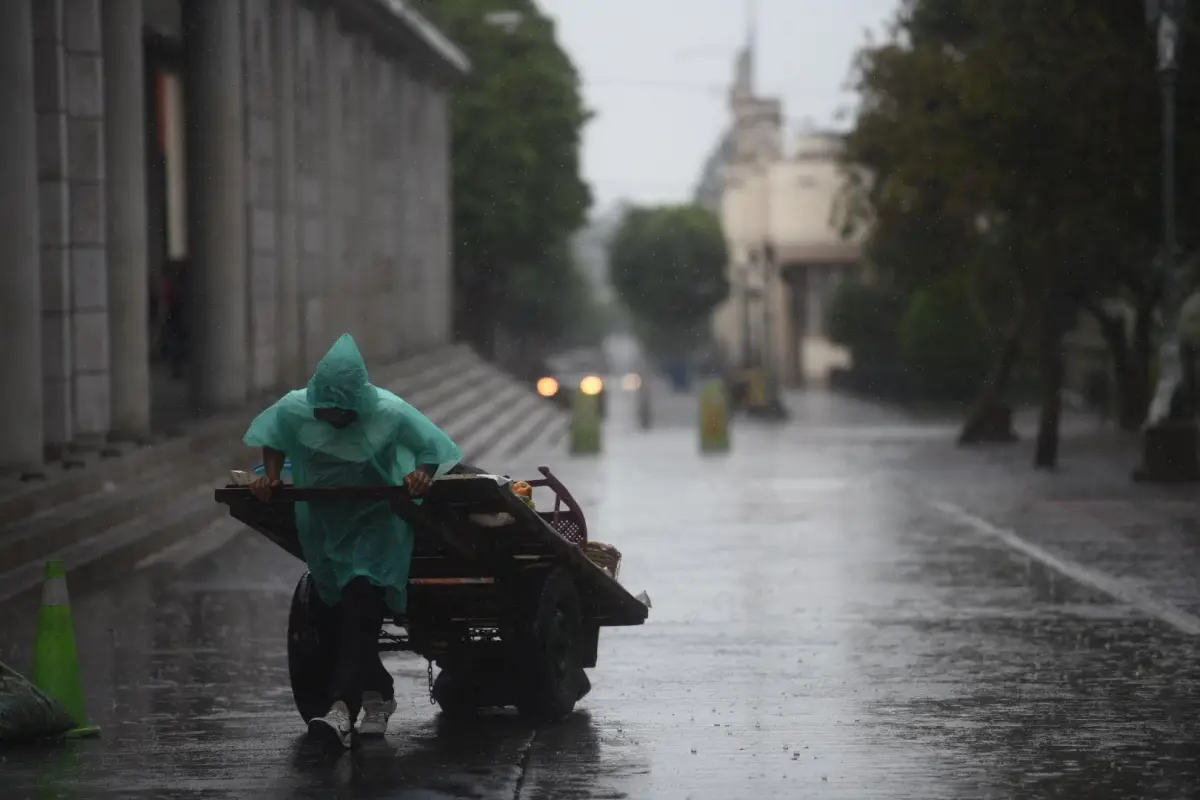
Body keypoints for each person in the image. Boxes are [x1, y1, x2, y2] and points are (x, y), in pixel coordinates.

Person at [245, 334, 462, 748]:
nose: (333, 421)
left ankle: (340, 710)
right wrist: (271, 476)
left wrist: (422, 474)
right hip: (325, 524)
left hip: (377, 523)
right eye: (326, 413)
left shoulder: (389, 411)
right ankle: (378, 695)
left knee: (362, 598)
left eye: (342, 415)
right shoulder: (295, 408)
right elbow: (272, 435)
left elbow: (430, 447)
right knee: (337, 610)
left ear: (359, 404)